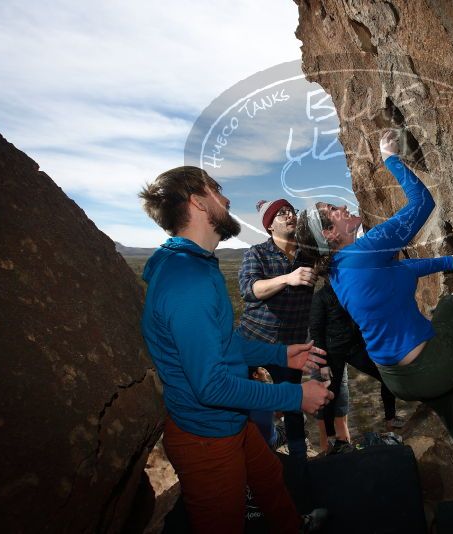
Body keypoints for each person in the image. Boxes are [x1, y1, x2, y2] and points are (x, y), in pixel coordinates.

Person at [295, 130, 453, 481]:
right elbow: (422, 203)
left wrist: (446, 263)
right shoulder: (367, 248)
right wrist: (390, 157)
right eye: (334, 210)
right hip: (430, 367)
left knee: (448, 407)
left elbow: (398, 271)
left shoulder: (340, 271)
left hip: (398, 380)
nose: (344, 206)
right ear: (331, 234)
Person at [139, 166, 331, 533]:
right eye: (216, 190)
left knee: (270, 479)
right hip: (206, 437)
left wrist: (280, 354)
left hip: (227, 421)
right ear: (198, 202)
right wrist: (295, 396)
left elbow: (224, 344)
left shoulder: (196, 265)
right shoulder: (188, 282)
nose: (226, 199)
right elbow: (211, 387)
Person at [238, 199, 317, 459]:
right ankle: (244, 450)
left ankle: (298, 459)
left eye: (290, 210)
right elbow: (250, 290)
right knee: (237, 396)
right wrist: (288, 278)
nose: (288, 215)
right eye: (280, 213)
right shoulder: (257, 253)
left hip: (289, 348)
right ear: (270, 226)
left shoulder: (310, 254)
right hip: (252, 341)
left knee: (292, 401)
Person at [309, 279, 405, 454]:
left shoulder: (350, 289)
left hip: (355, 347)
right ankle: (331, 439)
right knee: (331, 393)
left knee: (385, 374)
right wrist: (323, 363)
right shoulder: (320, 297)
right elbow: (316, 331)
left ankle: (390, 418)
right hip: (333, 353)